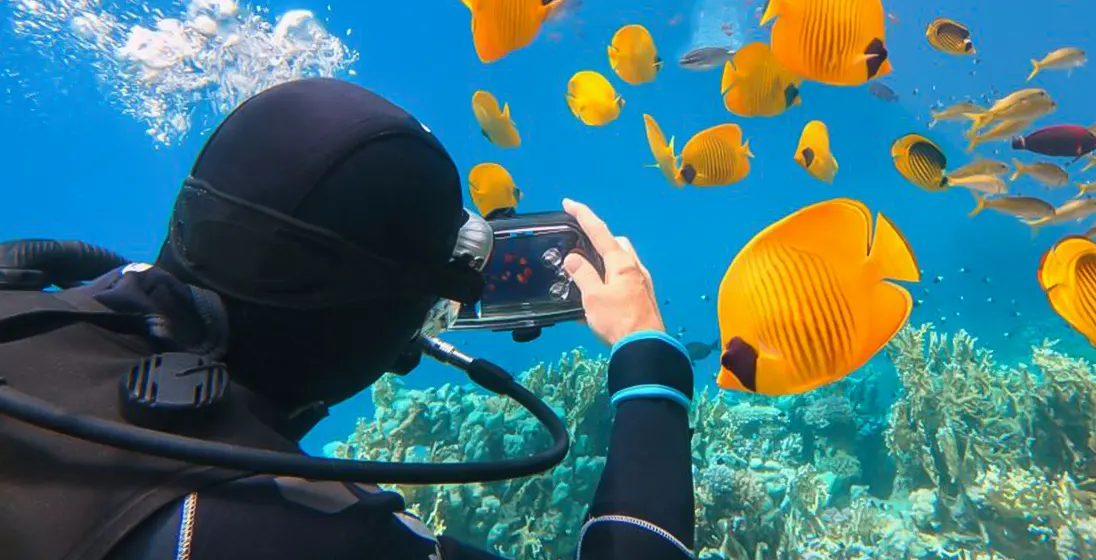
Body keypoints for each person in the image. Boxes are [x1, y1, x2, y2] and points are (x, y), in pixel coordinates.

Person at [0, 78, 695, 560]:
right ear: (377, 327)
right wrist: (647, 357)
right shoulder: (291, 535)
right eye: (428, 299)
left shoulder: (24, 304)